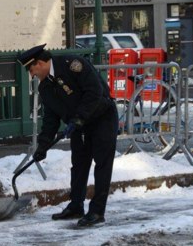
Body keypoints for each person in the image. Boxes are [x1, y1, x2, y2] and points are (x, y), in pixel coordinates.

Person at [17, 44, 118, 227]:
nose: (32, 75)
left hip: (101, 116)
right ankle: (76, 206)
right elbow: (50, 119)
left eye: (32, 69)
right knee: (79, 164)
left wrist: (80, 117)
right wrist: (43, 145)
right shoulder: (45, 87)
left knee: (102, 164)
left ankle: (96, 211)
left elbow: (94, 91)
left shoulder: (72, 64)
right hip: (79, 124)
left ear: (40, 63)